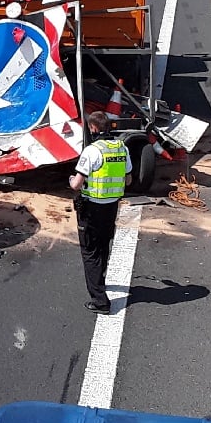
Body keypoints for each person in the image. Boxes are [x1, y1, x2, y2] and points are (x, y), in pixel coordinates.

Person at [70, 111, 132, 314]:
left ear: (93, 128)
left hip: (92, 207)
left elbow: (77, 184)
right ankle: (101, 278)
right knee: (104, 244)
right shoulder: (121, 147)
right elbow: (129, 179)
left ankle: (100, 300)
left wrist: (71, 181)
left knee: (89, 251)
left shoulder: (92, 151)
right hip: (112, 205)